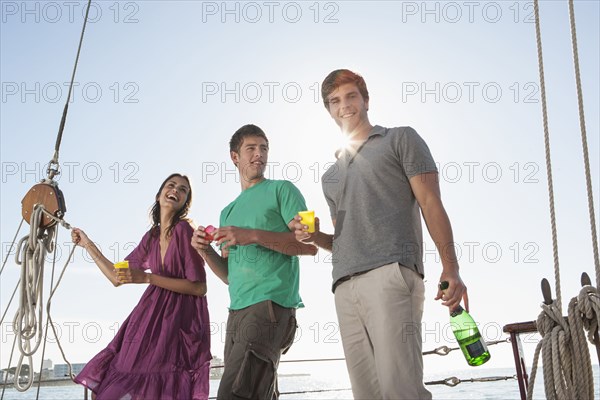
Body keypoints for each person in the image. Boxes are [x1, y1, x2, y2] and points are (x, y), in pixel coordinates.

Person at [293, 69, 468, 399]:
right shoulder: (330, 176)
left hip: (391, 275)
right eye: (334, 101)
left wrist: (451, 267)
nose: (343, 105)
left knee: (401, 391)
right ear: (328, 110)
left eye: (350, 96)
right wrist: (316, 237)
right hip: (343, 287)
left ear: (366, 99)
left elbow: (431, 202)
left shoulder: (400, 139)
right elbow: (341, 237)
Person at [191, 124, 317, 400]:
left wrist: (252, 235)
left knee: (233, 395)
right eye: (251, 148)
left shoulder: (282, 190)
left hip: (270, 307)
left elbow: (308, 246)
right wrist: (204, 251)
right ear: (235, 157)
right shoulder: (228, 212)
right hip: (236, 313)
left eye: (263, 148)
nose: (258, 154)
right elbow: (229, 276)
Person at [71, 173, 211, 400]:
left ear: (186, 202)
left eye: (183, 190)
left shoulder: (185, 231)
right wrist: (87, 244)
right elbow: (118, 277)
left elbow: (199, 288)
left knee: (162, 386)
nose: (176, 190)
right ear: (159, 195)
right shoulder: (151, 237)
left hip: (177, 324)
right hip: (147, 322)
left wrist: (148, 278)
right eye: (171, 185)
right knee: (114, 387)